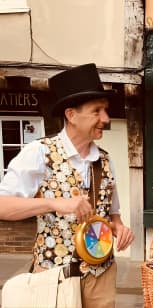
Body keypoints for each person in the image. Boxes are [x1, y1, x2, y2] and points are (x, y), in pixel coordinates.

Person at [0, 63, 134, 308]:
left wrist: (119, 228)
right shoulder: (39, 153)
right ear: (71, 115)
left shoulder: (105, 160)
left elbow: (113, 216)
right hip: (54, 274)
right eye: (97, 111)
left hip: (100, 276)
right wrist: (53, 202)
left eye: (105, 110)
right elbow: (2, 206)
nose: (105, 118)